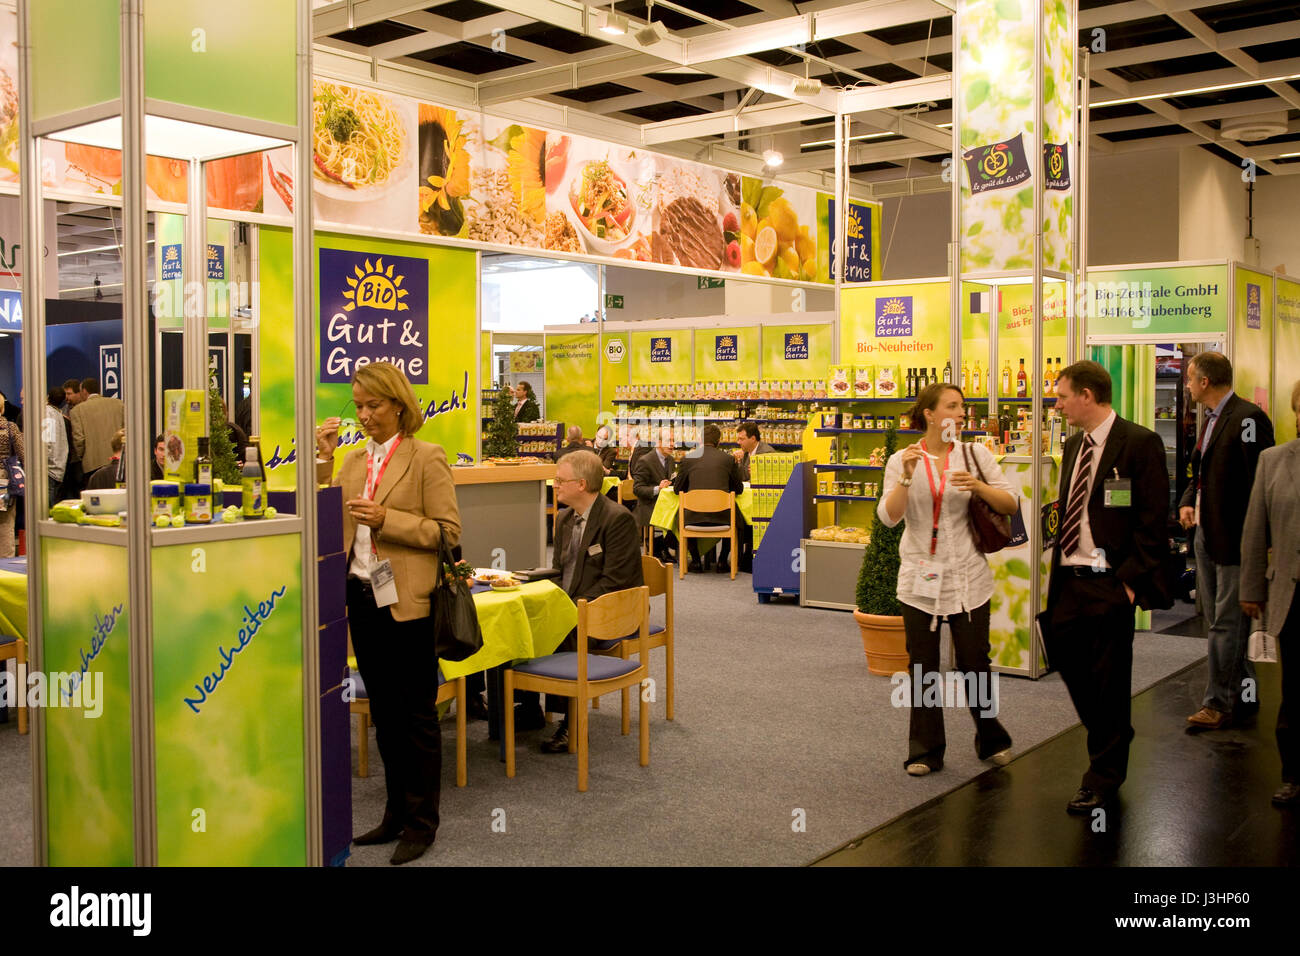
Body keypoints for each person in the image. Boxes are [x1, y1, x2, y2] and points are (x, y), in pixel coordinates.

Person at [315, 362, 461, 865]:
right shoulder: (354, 461)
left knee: (418, 715)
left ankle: (423, 824)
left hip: (409, 603)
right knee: (385, 714)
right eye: (357, 406)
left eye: (373, 405)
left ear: (399, 404)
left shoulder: (427, 457)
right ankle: (396, 813)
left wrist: (388, 521)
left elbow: (448, 533)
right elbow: (323, 509)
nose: (364, 414)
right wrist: (322, 459)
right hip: (362, 596)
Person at [1044, 360, 1170, 815]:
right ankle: (1112, 733)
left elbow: (1154, 519)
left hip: (1110, 584)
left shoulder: (1139, 443)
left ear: (1087, 396)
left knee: (1110, 683)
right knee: (1068, 665)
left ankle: (1102, 777)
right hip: (1068, 582)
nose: (1057, 405)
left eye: (1061, 396)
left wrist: (1131, 584)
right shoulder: (1074, 443)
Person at [878, 382, 1018, 776]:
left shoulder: (975, 454)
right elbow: (888, 518)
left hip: (968, 577)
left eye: (962, 407)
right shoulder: (901, 459)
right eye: (953, 406)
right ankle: (925, 750)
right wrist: (906, 479)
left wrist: (978, 485)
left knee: (975, 662)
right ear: (930, 414)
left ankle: (991, 738)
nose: (960, 414)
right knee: (922, 664)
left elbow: (1010, 504)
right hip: (919, 577)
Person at [1178, 351, 1274, 730]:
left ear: (1204, 382)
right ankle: (1246, 696)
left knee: (1225, 624)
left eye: (1189, 379)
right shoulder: (1212, 419)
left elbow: (1260, 480)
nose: (1186, 385)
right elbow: (1199, 470)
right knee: (1225, 621)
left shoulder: (1248, 418)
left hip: (1235, 538)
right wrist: (1188, 501)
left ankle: (1218, 703)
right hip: (1206, 531)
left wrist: (1258, 540)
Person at [534, 449, 644, 754]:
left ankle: (572, 720)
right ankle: (527, 704)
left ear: (581, 484)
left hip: (614, 608)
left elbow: (616, 582)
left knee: (565, 627)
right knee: (524, 620)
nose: (554, 485)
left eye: (559, 480)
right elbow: (558, 571)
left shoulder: (617, 519)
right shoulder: (564, 519)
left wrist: (570, 608)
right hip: (575, 603)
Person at [1240, 379, 1300, 807]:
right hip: (1291, 596)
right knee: (1294, 694)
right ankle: (1294, 774)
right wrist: (1252, 588)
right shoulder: (1273, 461)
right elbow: (1255, 530)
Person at [672, 422, 743, 573]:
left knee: (680, 513)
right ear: (719, 441)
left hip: (693, 517)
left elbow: (678, 489)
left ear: (700, 440)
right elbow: (739, 489)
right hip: (722, 517)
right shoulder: (728, 459)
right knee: (736, 516)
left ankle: (696, 561)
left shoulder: (688, 459)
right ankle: (722, 560)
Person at [631, 426, 678, 559]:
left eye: (673, 440)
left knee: (684, 516)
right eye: (669, 440)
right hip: (649, 505)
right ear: (658, 442)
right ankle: (657, 545)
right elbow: (637, 489)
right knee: (676, 518)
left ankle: (657, 545)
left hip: (667, 504)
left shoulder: (670, 459)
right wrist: (658, 489)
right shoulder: (645, 461)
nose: (672, 444)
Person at [69, 377, 125, 474]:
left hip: (92, 465)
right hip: (119, 462)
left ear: (84, 391)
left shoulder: (77, 411)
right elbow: (125, 431)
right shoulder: (118, 404)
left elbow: (79, 440)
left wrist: (83, 457)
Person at [0, 409, 21, 557]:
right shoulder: (10, 427)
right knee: (6, 523)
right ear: (2, 408)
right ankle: (5, 566)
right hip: (3, 481)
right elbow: (23, 453)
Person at [43, 386, 69, 503]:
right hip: (59, 468)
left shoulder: (47, 413)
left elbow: (46, 441)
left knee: (46, 511)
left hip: (49, 470)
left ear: (47, 397)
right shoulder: (59, 415)